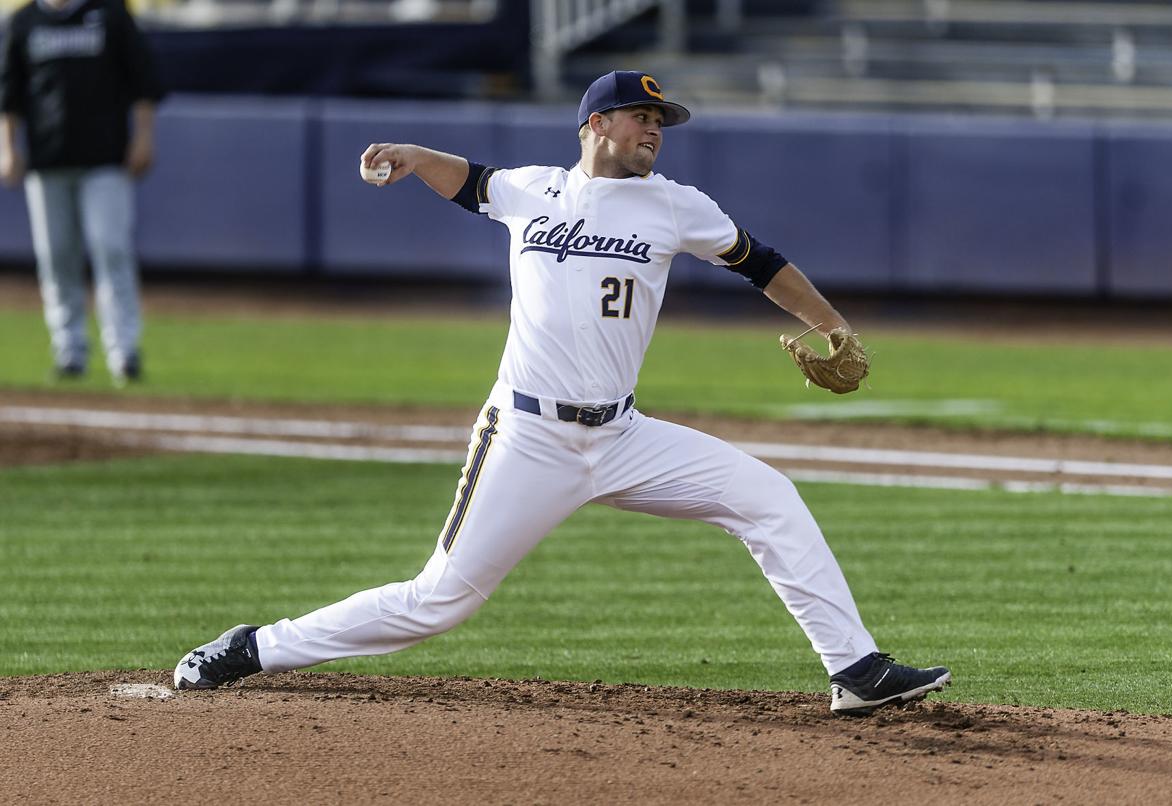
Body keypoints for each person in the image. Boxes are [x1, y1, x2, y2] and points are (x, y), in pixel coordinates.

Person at [173, 71, 951, 716]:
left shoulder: (678, 205)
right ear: (596, 124)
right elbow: (471, 181)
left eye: (661, 121)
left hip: (624, 438)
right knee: (439, 600)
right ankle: (254, 647)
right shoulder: (531, 191)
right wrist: (414, 153)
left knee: (769, 498)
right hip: (528, 437)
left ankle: (855, 669)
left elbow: (762, 264)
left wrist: (834, 325)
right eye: (642, 117)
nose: (655, 131)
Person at [0, 0, 164, 384]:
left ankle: (123, 349)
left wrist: (144, 137)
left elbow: (142, 81)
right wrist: (7, 147)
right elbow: (8, 93)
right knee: (56, 255)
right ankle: (69, 347)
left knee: (111, 247)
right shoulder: (25, 22)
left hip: (105, 158)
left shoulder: (109, 13)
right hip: (48, 159)